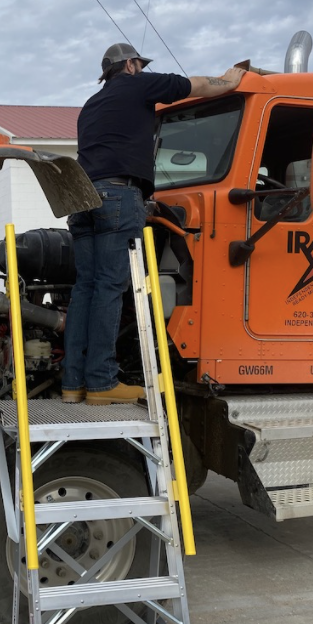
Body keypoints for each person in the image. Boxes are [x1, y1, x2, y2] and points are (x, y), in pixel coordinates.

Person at [62, 43, 246, 405]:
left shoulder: (91, 106)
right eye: (140, 65)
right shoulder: (137, 86)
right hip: (117, 196)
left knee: (85, 288)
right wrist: (227, 80)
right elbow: (195, 86)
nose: (143, 70)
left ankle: (73, 384)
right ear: (130, 65)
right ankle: (101, 382)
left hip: (81, 200)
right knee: (111, 288)